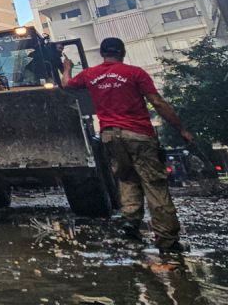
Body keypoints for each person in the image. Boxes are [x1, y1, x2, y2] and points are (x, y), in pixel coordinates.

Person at [62, 36, 194, 254]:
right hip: (139, 134)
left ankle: (131, 223)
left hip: (110, 136)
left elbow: (66, 84)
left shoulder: (90, 75)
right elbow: (158, 103)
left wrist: (67, 68)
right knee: (154, 183)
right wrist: (181, 129)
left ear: (103, 54)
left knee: (126, 178)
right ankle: (167, 239)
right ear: (122, 52)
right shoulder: (135, 73)